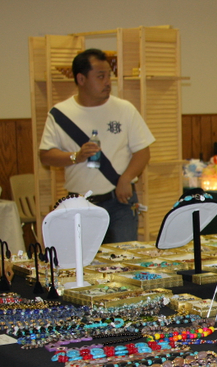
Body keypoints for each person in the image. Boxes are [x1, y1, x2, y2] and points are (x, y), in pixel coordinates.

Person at [39, 48, 154, 243]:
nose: (108, 82)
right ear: (81, 79)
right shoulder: (60, 114)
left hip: (120, 202)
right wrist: (76, 156)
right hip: (80, 204)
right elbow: (46, 155)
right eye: (101, 76)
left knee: (125, 256)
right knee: (84, 259)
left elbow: (143, 152)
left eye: (109, 76)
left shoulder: (125, 109)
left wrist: (126, 178)